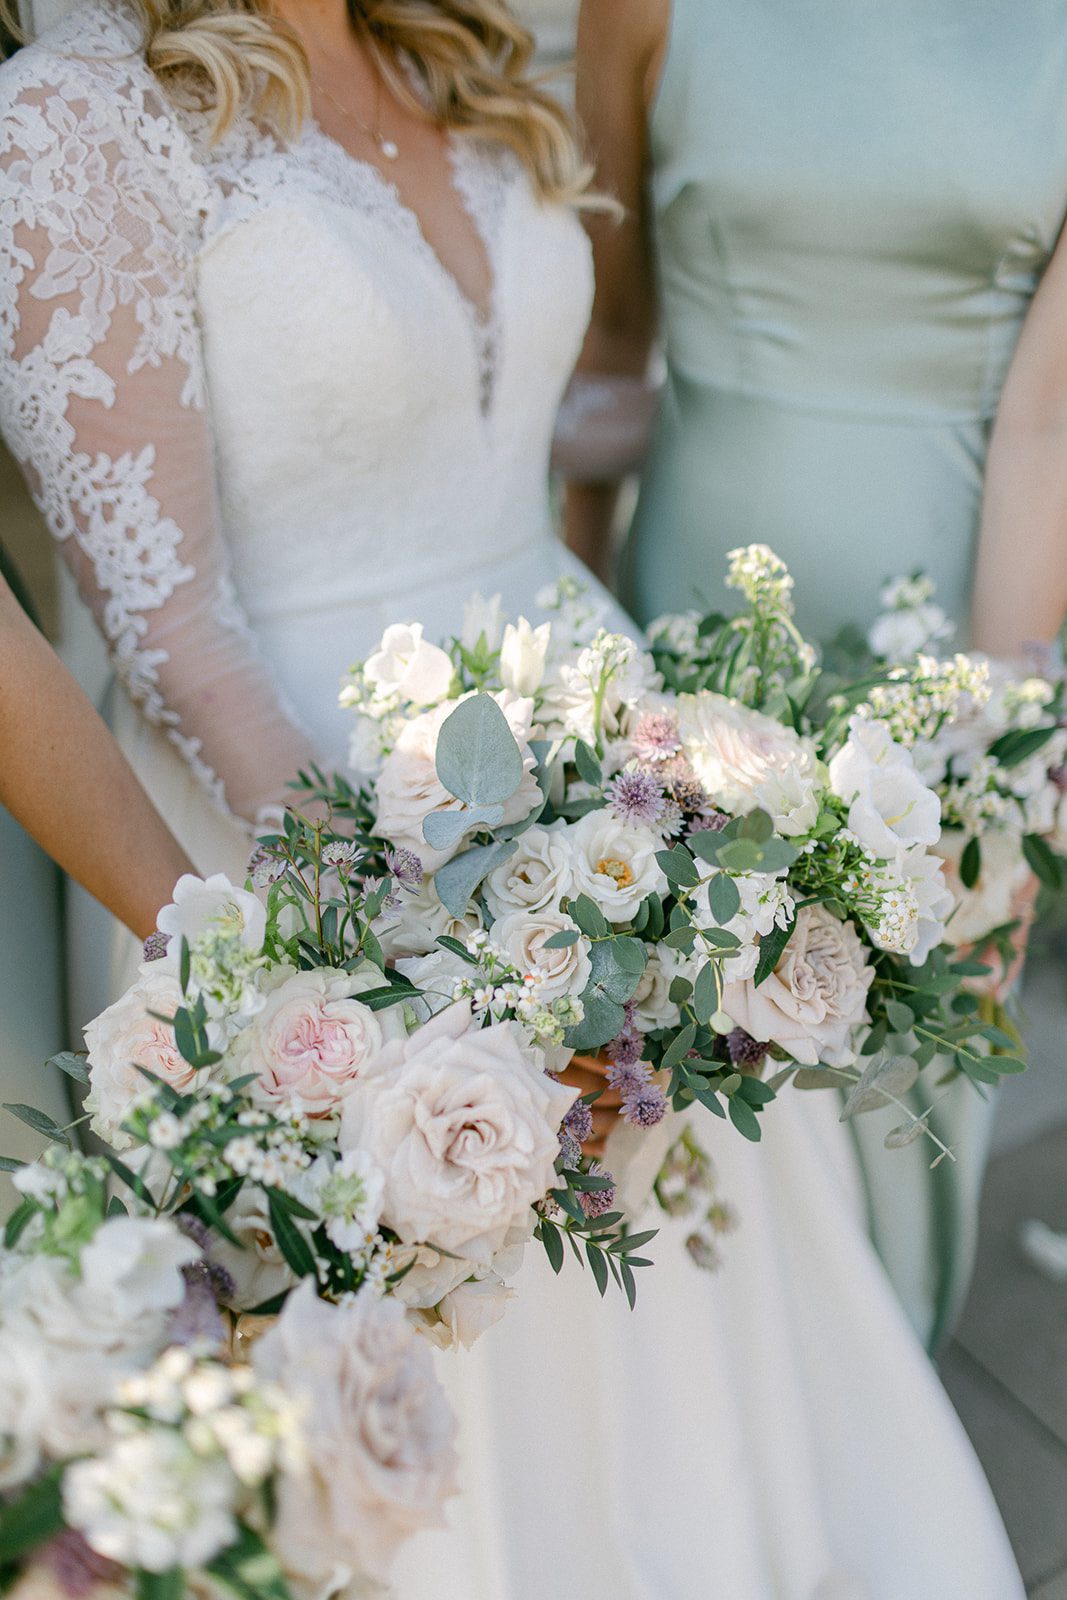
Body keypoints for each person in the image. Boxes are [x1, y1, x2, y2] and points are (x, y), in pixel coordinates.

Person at [0, 5, 1025, 1597]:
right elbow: (170, 625)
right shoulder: (80, 115)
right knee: (471, 1325)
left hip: (611, 786)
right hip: (301, 819)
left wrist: (681, 791)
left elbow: (518, 423)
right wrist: (394, 956)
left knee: (690, 1286)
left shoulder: (445, 46)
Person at [565, 0, 1067, 1359]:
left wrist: (999, 750)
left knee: (906, 1088)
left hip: (954, 648)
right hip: (686, 634)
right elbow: (611, 344)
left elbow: (1051, 422)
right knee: (672, 1088)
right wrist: (575, 642)